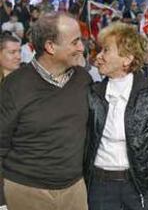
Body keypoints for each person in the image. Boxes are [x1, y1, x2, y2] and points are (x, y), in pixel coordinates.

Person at [0, 12, 91, 210]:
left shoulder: (84, 80)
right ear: (50, 47)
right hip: (25, 191)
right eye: (75, 42)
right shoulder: (14, 86)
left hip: (74, 191)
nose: (81, 48)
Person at [85, 22, 148, 210]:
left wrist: (145, 164)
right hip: (99, 186)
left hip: (139, 186)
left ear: (127, 59)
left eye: (106, 50)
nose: (99, 57)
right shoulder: (92, 94)